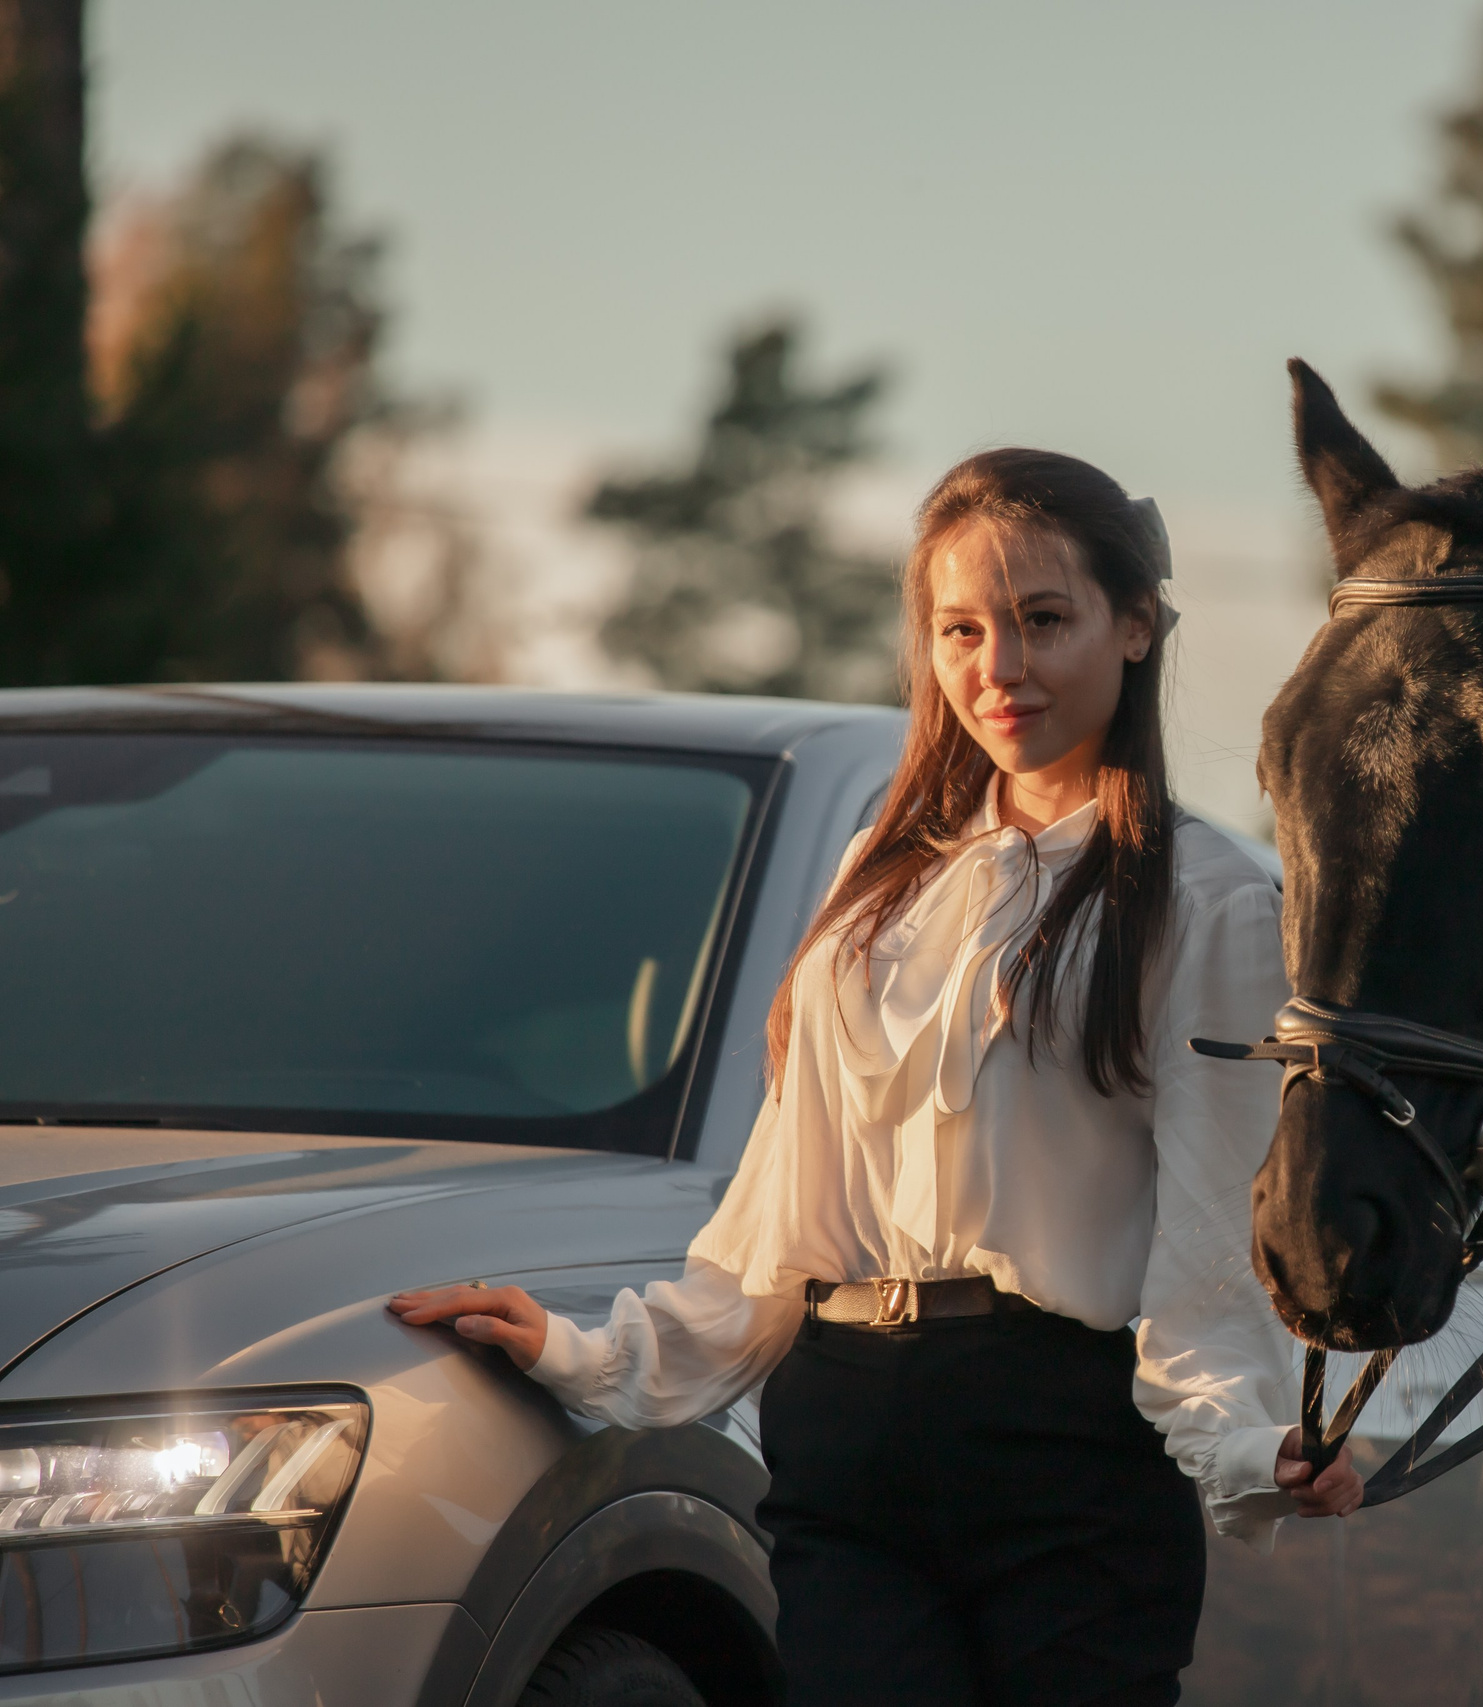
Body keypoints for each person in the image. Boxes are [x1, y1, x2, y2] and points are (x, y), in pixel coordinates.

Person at [391, 448, 1358, 1707]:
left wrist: (1240, 1442)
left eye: (1043, 620)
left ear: (1135, 625)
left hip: (1063, 1443)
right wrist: (587, 1354)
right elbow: (784, 1209)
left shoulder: (1209, 896)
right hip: (843, 1431)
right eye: (962, 630)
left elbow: (1212, 1227)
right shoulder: (880, 879)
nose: (999, 668)